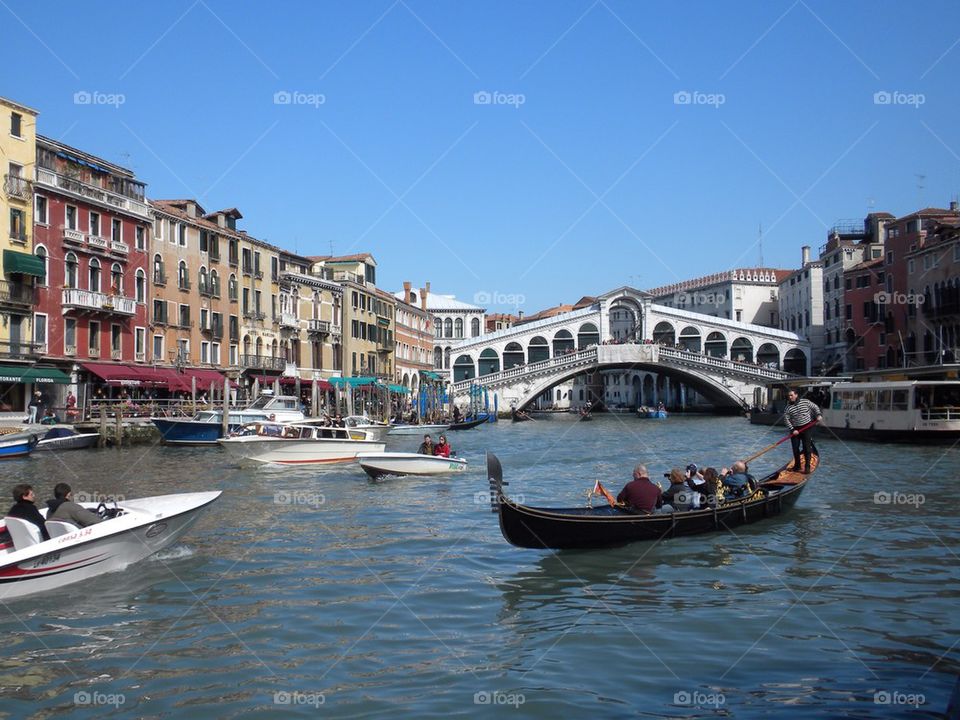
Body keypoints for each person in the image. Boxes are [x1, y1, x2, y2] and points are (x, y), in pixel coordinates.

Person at [784, 389, 822, 473]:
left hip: (806, 427)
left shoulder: (805, 402)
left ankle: (807, 467)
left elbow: (815, 407)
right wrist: (792, 429)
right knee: (795, 448)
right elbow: (786, 420)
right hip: (795, 429)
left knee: (806, 448)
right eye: (789, 396)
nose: (790, 397)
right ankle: (797, 466)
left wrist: (818, 415)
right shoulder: (787, 407)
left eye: (791, 395)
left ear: (796, 395)